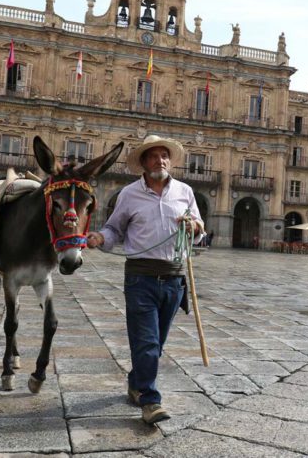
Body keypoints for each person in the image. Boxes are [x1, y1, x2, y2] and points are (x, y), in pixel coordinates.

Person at [86, 135, 204, 425]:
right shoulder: (129, 194)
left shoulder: (185, 192)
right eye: (153, 156)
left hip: (175, 280)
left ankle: (136, 382)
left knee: (155, 344)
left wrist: (193, 226)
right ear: (143, 162)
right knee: (147, 343)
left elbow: (200, 229)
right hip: (141, 278)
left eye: (164, 155)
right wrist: (102, 237)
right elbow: (114, 229)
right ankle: (150, 401)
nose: (160, 160)